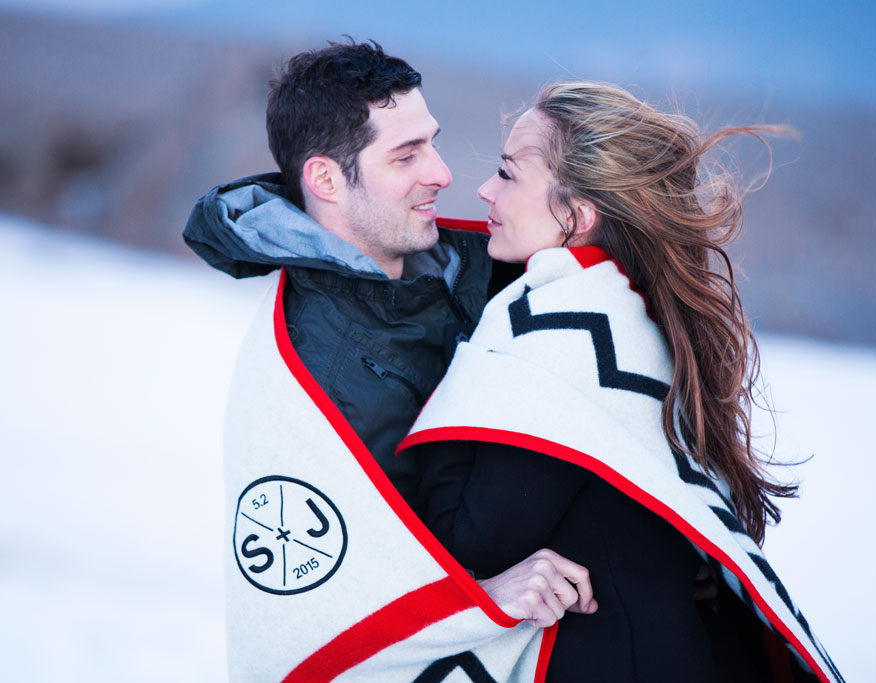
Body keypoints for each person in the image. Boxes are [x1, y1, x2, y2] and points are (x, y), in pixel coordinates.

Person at [400, 82, 843, 682]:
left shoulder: (560, 339)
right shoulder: (629, 313)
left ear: (577, 215)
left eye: (508, 173)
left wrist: (465, 372)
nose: (483, 190)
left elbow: (467, 544)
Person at [184, 42, 594, 682]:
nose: (442, 172)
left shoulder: (480, 271)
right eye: (407, 155)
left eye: (430, 142)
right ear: (325, 179)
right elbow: (327, 600)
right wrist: (486, 596)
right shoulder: (317, 373)